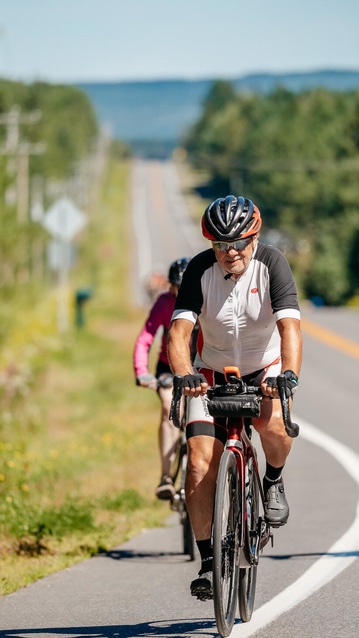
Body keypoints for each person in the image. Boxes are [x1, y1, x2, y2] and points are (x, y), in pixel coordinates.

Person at [167, 195, 302, 601]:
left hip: (265, 370)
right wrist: (184, 374)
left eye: (240, 243)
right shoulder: (198, 270)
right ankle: (209, 560)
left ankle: (273, 481)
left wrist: (289, 375)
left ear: (255, 237)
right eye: (221, 244)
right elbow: (178, 335)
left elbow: (290, 327)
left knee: (275, 427)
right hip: (209, 374)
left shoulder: (273, 262)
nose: (231, 252)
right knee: (199, 463)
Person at [133, 256, 190, 500]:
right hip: (168, 367)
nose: (180, 293)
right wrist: (141, 371)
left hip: (201, 367)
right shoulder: (165, 303)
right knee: (170, 409)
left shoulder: (207, 300)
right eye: (176, 288)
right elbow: (146, 337)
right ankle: (166, 477)